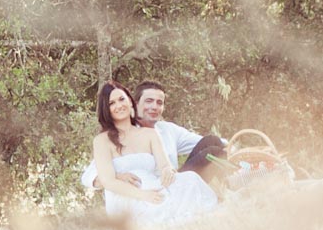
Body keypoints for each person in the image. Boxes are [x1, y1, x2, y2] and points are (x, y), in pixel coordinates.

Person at [91, 81, 218, 225]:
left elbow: (165, 165)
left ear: (130, 102)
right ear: (106, 109)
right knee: (157, 207)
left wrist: (167, 171)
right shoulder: (102, 140)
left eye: (121, 99)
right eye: (111, 103)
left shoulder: (150, 134)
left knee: (191, 179)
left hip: (153, 186)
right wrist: (143, 195)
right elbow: (108, 181)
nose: (119, 105)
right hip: (125, 197)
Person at [81, 81, 226, 190]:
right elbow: (88, 176)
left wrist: (236, 147)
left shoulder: (167, 129)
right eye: (149, 101)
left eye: (159, 103)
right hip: (150, 191)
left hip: (175, 182)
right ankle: (231, 186)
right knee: (214, 152)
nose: (154, 107)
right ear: (135, 104)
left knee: (213, 141)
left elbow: (208, 142)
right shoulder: (121, 135)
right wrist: (116, 177)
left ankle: (235, 183)